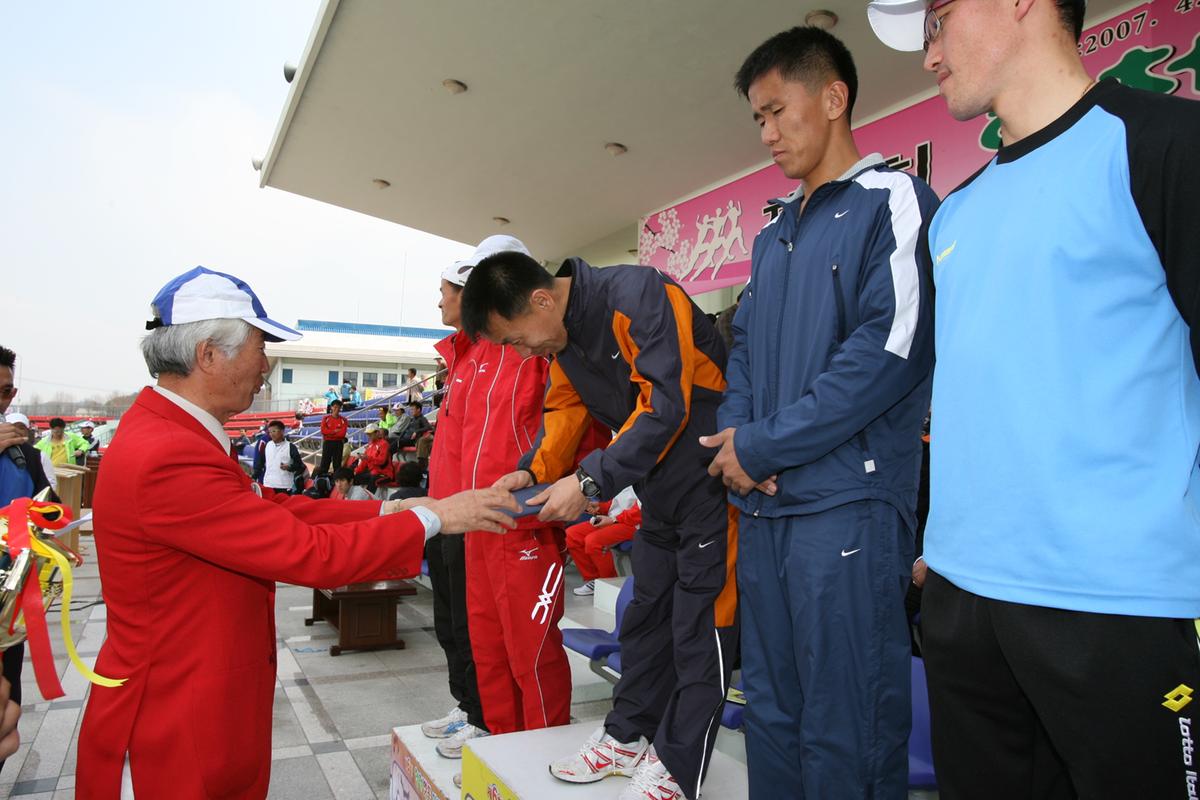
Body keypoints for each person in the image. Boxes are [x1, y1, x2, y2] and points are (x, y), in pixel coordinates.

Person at [868, 2, 1200, 797]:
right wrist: (945, 551)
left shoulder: (1162, 144)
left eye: (940, 19)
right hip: (959, 601)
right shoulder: (961, 215)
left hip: (1119, 608)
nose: (929, 54)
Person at [75, 265, 519, 800]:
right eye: (259, 347)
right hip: (173, 724)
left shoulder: (174, 434)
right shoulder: (168, 454)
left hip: (199, 704)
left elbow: (279, 513)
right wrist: (438, 518)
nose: (264, 366)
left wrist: (399, 509)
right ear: (208, 356)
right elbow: (306, 551)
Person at [704, 27, 937, 798]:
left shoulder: (894, 202)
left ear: (833, 98)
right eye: (757, 119)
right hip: (767, 517)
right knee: (769, 711)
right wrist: (739, 448)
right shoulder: (773, 234)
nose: (767, 134)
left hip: (848, 514)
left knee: (850, 730)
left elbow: (886, 354)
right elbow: (741, 357)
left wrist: (761, 447)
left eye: (777, 111)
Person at [462, 251, 738, 800]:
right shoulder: (564, 340)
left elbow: (665, 404)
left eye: (516, 339)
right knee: (644, 619)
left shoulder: (635, 295)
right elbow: (563, 413)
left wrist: (590, 483)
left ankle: (679, 767)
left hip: (714, 485)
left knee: (699, 630)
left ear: (542, 300)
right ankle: (627, 736)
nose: (521, 351)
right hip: (659, 494)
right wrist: (532, 472)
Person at [420, 235, 575, 770]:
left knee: (531, 649)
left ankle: (544, 751)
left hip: (523, 523)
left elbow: (566, 423)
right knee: (486, 644)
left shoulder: (535, 343)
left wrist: (546, 490)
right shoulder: (481, 351)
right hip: (477, 521)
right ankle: (503, 750)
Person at [566, 487, 640, 596]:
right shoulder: (626, 475)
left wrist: (614, 519)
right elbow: (616, 503)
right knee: (572, 535)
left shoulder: (648, 478)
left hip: (634, 524)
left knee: (594, 541)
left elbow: (641, 511)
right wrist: (599, 507)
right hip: (615, 519)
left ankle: (608, 582)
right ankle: (593, 580)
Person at [252, 419, 306, 493]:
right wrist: (254, 476)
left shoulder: (290, 447)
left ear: (282, 431)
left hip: (284, 486)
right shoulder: (267, 445)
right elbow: (260, 462)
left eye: (274, 431)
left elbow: (300, 465)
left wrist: (289, 467)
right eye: (270, 432)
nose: (272, 434)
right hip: (268, 484)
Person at [352, 423, 394, 493]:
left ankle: (369, 501)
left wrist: (367, 458)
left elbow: (382, 461)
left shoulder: (384, 444)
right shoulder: (370, 445)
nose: (369, 436)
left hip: (385, 474)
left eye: (370, 434)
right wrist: (356, 471)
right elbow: (364, 462)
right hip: (373, 472)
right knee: (354, 478)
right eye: (368, 434)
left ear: (377, 433)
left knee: (373, 478)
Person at [318, 399, 348, 475]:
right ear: (331, 407)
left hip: (338, 444)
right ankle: (322, 481)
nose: (336, 409)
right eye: (335, 407)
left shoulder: (344, 420)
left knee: (337, 465)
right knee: (324, 463)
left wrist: (329, 432)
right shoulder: (326, 418)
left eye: (338, 407)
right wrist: (334, 431)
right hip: (328, 443)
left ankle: (336, 482)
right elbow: (323, 431)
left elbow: (342, 434)